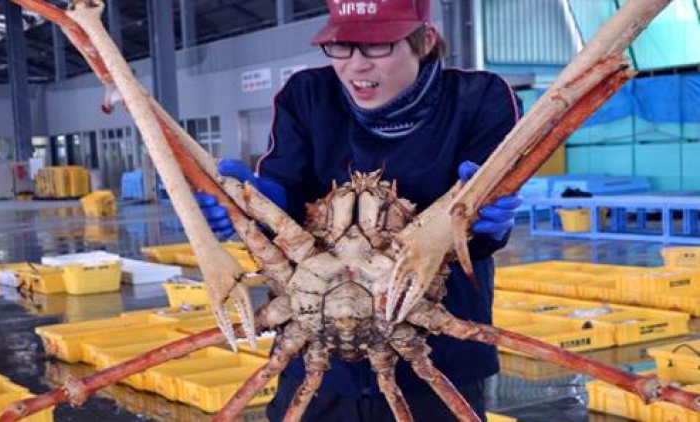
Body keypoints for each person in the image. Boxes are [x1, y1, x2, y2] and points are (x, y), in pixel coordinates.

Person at [196, 0, 522, 420]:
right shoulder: (308, 94)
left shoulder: (479, 98)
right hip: (313, 351)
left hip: (436, 353)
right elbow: (286, 189)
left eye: (377, 47)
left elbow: (483, 212)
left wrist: (487, 222)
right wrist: (255, 203)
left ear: (424, 40)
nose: (356, 68)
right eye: (343, 47)